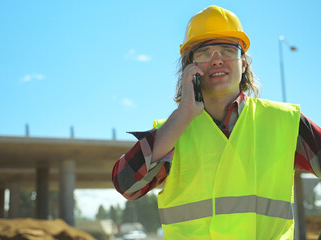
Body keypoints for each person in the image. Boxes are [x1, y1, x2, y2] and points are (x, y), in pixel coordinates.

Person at [112, 5, 321, 240]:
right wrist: (183, 115)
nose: (217, 60)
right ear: (188, 68)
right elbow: (125, 184)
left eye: (227, 49)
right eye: (204, 52)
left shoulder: (286, 124)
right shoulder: (171, 132)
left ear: (244, 63)